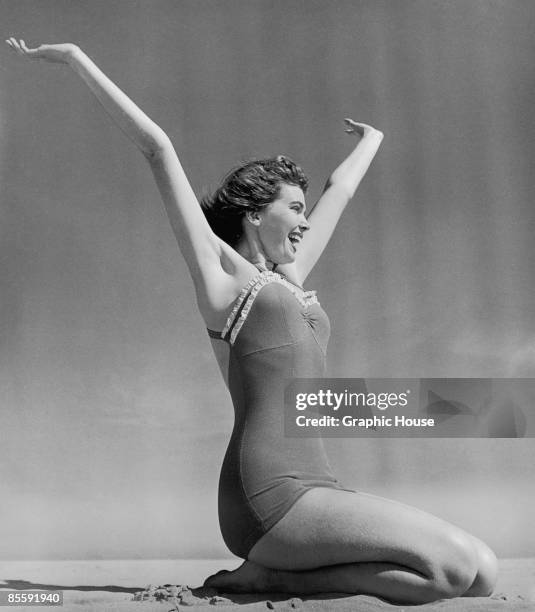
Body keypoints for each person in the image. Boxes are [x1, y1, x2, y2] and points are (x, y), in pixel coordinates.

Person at [6, 38, 497, 605]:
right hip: (266, 495)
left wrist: (374, 139)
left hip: (319, 486)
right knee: (459, 569)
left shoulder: (288, 280)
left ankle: (275, 577)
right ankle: (270, 574)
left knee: (478, 576)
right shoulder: (224, 282)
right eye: (294, 208)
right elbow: (157, 148)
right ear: (255, 213)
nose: (305, 223)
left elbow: (341, 190)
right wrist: (74, 58)